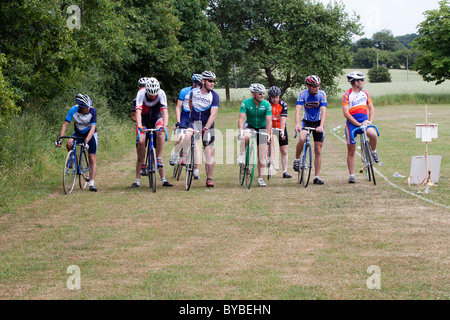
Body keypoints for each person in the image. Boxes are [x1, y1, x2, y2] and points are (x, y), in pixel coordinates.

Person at [130, 77, 173, 188]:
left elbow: (165, 111)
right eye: (150, 94)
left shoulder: (161, 93)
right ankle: (138, 178)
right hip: (144, 118)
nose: (153, 97)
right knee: (141, 141)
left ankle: (158, 158)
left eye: (154, 94)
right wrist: (139, 126)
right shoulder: (141, 93)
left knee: (160, 133)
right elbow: (138, 111)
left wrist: (165, 125)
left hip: (156, 117)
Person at [182, 70, 220, 187]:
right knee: (187, 134)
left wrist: (206, 127)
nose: (212, 83)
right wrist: (192, 116)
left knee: (208, 152)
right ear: (203, 81)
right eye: (210, 81)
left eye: (213, 81)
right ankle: (183, 156)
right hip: (194, 122)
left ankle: (209, 178)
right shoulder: (193, 92)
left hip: (207, 124)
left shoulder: (214, 96)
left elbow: (213, 114)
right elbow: (190, 103)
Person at [55, 93, 98, 192]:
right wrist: (60, 139)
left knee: (92, 158)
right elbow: (65, 125)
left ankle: (91, 183)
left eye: (88, 106)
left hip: (90, 135)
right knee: (69, 142)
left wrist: (86, 141)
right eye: (85, 107)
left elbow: (92, 129)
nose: (87, 109)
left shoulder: (92, 111)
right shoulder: (73, 110)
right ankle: (72, 159)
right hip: (78, 134)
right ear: (80, 107)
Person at [342, 71, 379, 184]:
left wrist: (369, 121)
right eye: (361, 80)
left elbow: (371, 108)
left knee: (373, 134)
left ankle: (373, 151)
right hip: (352, 124)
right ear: (355, 82)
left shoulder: (365, 93)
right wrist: (358, 124)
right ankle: (352, 175)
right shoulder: (347, 95)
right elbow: (346, 113)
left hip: (364, 122)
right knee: (351, 150)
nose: (363, 82)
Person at [293, 75, 327, 185]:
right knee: (302, 138)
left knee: (318, 149)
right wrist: (297, 124)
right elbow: (298, 109)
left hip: (318, 122)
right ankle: (297, 159)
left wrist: (321, 126)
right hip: (306, 121)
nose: (316, 88)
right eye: (314, 86)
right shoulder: (303, 94)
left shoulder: (322, 94)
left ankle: (316, 176)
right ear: (308, 86)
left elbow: (323, 111)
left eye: (318, 86)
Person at [237, 83, 272, 187]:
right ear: (253, 94)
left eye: (263, 93)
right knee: (245, 136)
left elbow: (269, 122)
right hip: (250, 125)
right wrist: (240, 131)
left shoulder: (266, 104)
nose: (262, 95)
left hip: (262, 126)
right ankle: (241, 154)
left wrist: (268, 135)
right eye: (260, 93)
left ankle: (260, 178)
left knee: (261, 155)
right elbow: (241, 118)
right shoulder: (246, 103)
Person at [170, 74, 203, 166]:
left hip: (195, 118)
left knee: (196, 144)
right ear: (194, 84)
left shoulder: (203, 94)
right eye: (199, 84)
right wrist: (178, 121)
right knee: (180, 138)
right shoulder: (184, 91)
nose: (201, 87)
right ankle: (175, 154)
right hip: (184, 117)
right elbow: (178, 107)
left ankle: (195, 170)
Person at [267, 86, 291, 179]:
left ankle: (285, 171)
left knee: (284, 149)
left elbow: (283, 119)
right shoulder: (266, 104)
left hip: (280, 126)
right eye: (273, 97)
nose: (275, 99)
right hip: (269, 127)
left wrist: (282, 131)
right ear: (270, 97)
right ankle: (271, 163)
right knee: (270, 145)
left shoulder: (283, 104)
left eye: (277, 97)